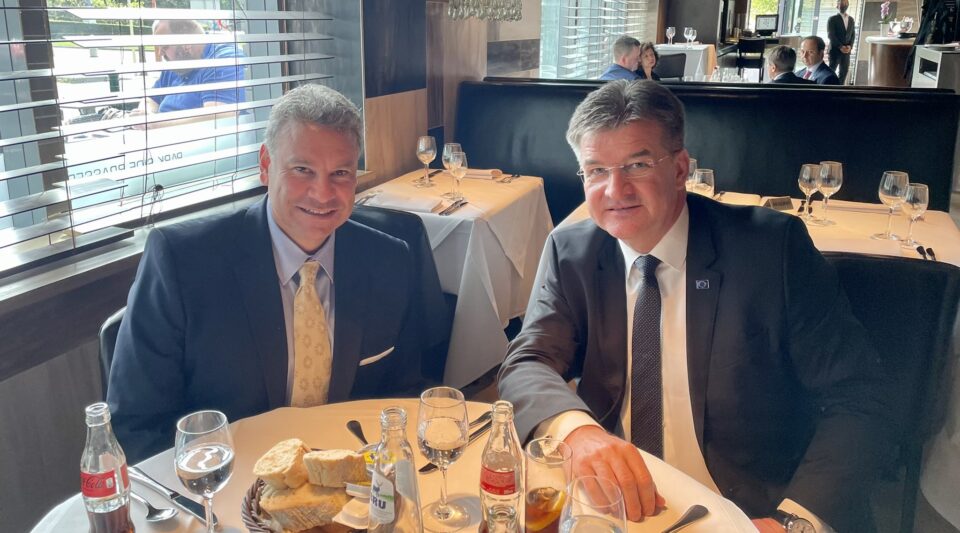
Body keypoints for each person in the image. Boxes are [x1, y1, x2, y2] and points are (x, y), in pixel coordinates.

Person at [499, 79, 893, 532]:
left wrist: (793, 520)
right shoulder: (572, 252)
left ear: (680, 168)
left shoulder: (771, 251)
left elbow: (860, 396)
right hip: (614, 503)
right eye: (596, 171)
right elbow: (527, 360)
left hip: (744, 510)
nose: (615, 189)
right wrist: (578, 432)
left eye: (637, 164)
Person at [108, 84, 429, 462]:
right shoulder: (183, 262)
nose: (323, 193)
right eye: (302, 170)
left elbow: (403, 399)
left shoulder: (390, 260)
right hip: (227, 479)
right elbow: (136, 426)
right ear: (265, 165)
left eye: (340, 173)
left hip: (349, 480)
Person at [121, 19, 246, 128]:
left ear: (187, 43)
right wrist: (145, 114)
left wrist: (156, 123)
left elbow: (218, 116)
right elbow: (151, 99)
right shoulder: (177, 64)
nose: (160, 53)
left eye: (164, 47)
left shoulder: (223, 60)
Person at [827, 0, 856, 85]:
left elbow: (853, 34)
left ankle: (839, 90)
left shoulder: (851, 19)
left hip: (846, 52)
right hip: (835, 50)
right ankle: (828, 89)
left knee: (843, 73)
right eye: (841, 3)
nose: (844, 5)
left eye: (845, 3)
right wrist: (840, 46)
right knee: (831, 72)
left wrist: (850, 46)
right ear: (837, 6)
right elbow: (831, 35)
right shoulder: (832, 19)